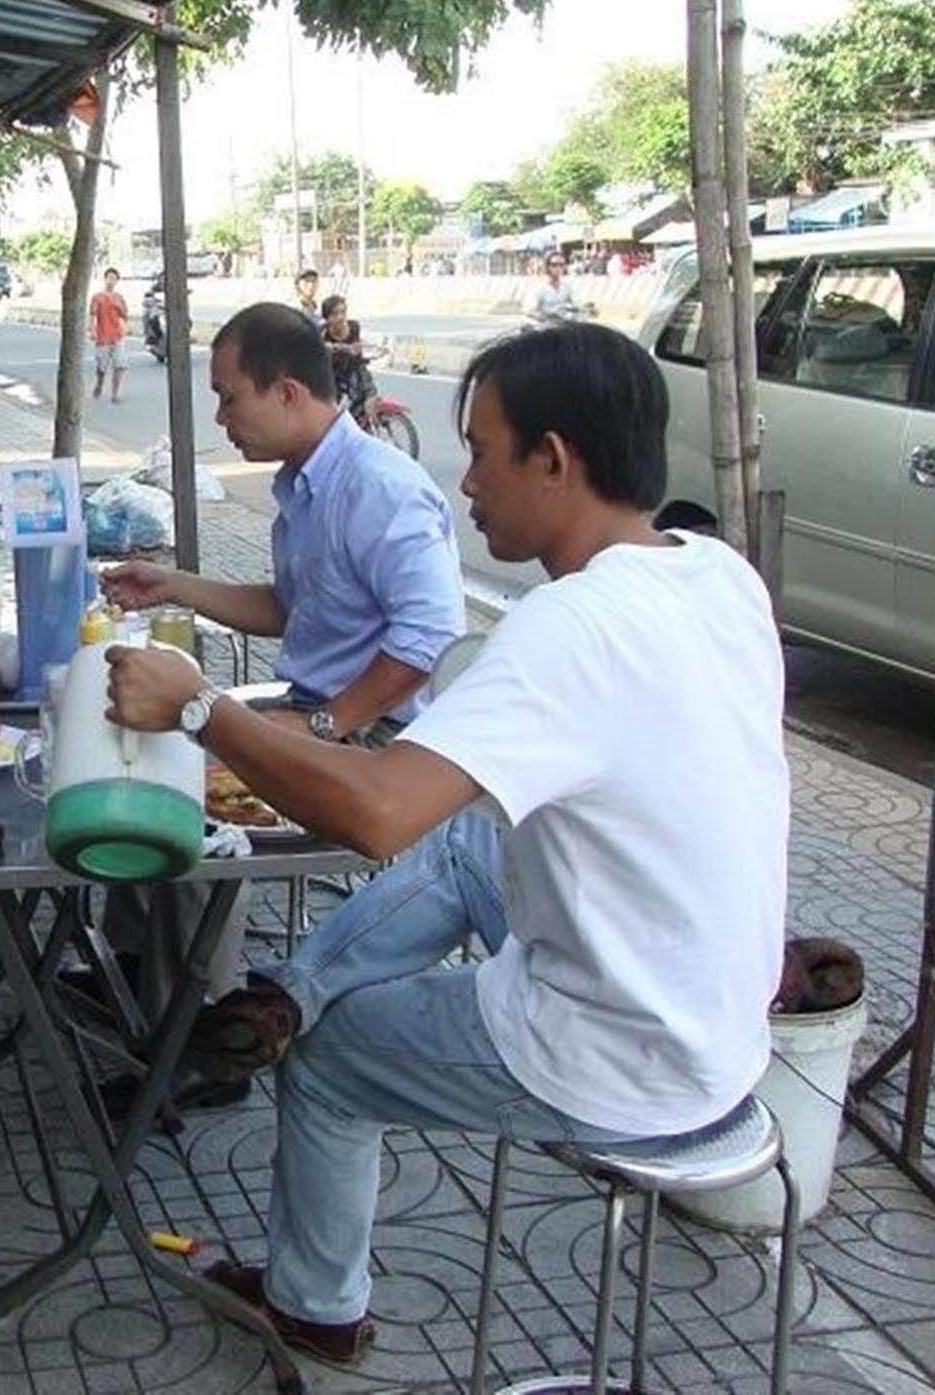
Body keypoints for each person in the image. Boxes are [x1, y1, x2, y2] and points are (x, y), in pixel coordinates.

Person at [100, 322, 788, 1366]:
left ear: (553, 459)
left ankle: (313, 1304)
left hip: (623, 1046)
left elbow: (377, 812)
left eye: (481, 450)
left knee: (327, 1061)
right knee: (472, 844)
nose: (464, 481)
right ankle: (293, 983)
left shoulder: (570, 626)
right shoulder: (715, 573)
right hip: (719, 1010)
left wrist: (202, 710)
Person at [96, 303, 461, 1085]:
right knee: (145, 752)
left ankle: (204, 1035)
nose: (221, 416)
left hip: (372, 737)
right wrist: (175, 585)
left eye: (230, 396)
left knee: (192, 812)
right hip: (313, 708)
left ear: (288, 391)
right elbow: (289, 607)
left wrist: (324, 725)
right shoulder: (303, 485)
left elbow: (428, 637)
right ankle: (134, 968)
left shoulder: (380, 487)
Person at [89, 267, 130, 403]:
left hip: (117, 336)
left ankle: (115, 394)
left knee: (120, 365)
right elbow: (93, 315)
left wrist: (119, 308)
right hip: (103, 336)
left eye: (114, 279)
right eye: (109, 278)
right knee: (102, 367)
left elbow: (125, 316)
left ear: (117, 281)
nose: (111, 281)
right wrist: (92, 330)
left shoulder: (119, 298)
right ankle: (99, 384)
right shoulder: (97, 297)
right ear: (105, 279)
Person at [524, 251, 591, 326]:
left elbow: (578, 304)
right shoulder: (537, 288)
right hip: (544, 327)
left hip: (562, 326)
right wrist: (546, 317)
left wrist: (587, 309)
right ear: (547, 267)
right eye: (554, 265)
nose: (558, 268)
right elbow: (530, 310)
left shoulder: (567, 288)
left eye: (561, 265)